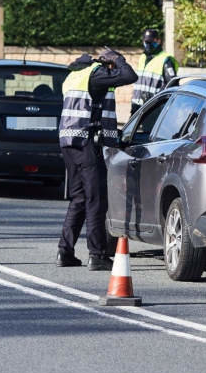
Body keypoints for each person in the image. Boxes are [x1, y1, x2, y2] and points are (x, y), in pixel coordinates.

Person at [57, 48, 137, 270]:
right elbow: (130, 76)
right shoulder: (96, 74)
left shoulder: (73, 76)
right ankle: (98, 254)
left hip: (69, 144)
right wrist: (117, 59)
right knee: (96, 200)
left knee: (79, 199)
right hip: (86, 144)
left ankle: (65, 251)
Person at [130, 29, 178, 115]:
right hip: (137, 105)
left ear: (158, 41)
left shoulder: (165, 60)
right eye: (146, 42)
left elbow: (172, 84)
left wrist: (155, 98)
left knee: (149, 129)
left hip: (154, 108)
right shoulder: (142, 57)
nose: (148, 44)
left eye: (151, 41)